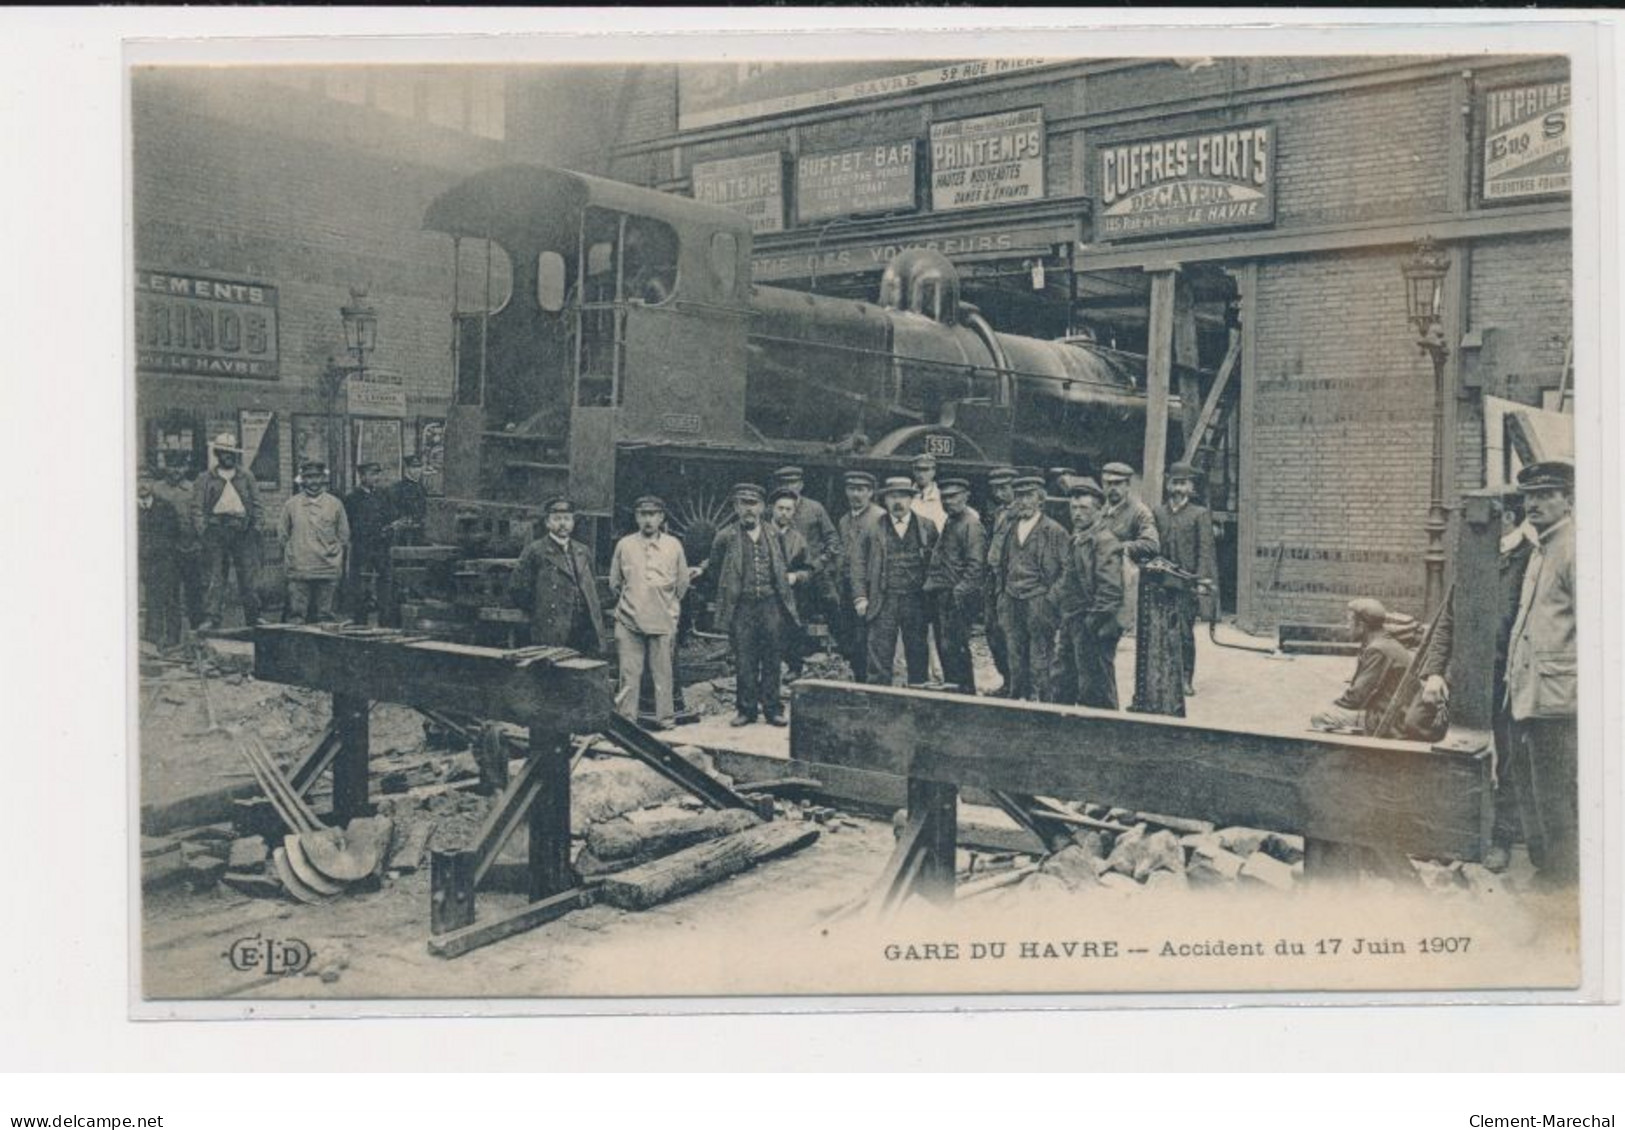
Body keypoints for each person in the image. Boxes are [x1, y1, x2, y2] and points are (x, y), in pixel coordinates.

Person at [1502, 459, 1578, 887]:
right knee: (1530, 787)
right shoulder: (1543, 547)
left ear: (1568, 499)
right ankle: (1547, 869)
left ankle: (1563, 879)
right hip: (1529, 691)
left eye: (1546, 494)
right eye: (1530, 495)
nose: (1535, 504)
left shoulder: (1573, 549)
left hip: (1558, 699)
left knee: (1555, 793)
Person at [706, 484, 798, 726]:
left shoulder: (774, 534)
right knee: (744, 659)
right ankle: (746, 710)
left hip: (770, 605)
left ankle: (772, 709)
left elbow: (782, 566)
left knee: (772, 658)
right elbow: (715, 572)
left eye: (753, 503)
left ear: (762, 507)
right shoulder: (725, 536)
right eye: (743, 503)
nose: (749, 509)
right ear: (736, 507)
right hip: (742, 607)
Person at [608, 496, 690, 730]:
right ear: (636, 517)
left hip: (662, 620)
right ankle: (627, 722)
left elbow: (682, 584)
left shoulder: (674, 545)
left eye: (653, 514)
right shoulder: (624, 545)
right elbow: (615, 583)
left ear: (661, 518)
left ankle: (666, 720)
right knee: (629, 674)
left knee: (663, 674)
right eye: (643, 515)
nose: (648, 520)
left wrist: (669, 610)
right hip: (628, 620)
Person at [853, 476, 939, 687]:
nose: (898, 502)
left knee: (918, 652)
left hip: (916, 600)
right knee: (879, 654)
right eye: (893, 497)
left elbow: (936, 564)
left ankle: (918, 702)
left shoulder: (927, 527)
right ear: (885, 500)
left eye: (903, 496)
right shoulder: (872, 528)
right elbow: (857, 563)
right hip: (883, 600)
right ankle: (878, 703)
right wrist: (860, 597)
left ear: (911, 500)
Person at [991, 476, 1069, 702]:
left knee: (1040, 658)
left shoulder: (1054, 531)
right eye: (1019, 496)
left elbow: (1068, 570)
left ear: (1040, 499)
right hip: (1012, 598)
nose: (1023, 502)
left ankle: (1044, 705)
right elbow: (1002, 563)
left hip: (1039, 601)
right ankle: (1017, 702)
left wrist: (1050, 599)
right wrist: (1001, 595)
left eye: (1029, 496)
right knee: (1015, 655)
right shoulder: (1010, 528)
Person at [1056, 478, 1125, 709]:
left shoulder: (1104, 541)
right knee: (1064, 679)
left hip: (1094, 624)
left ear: (1099, 510)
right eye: (1073, 508)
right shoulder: (1078, 538)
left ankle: (1106, 736)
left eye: (1084, 508)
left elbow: (1110, 590)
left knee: (1096, 687)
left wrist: (1091, 623)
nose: (1077, 513)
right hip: (1073, 620)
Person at [1151, 462, 1218, 696]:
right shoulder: (1158, 513)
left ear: (1191, 487)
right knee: (1159, 633)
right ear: (1168, 485)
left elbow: (1205, 551)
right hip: (1161, 584)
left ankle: (1185, 679)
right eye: (1175, 483)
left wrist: (1202, 581)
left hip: (1186, 585)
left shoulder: (1199, 514)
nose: (1178, 488)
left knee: (1184, 634)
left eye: (1183, 483)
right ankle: (1162, 677)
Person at [509, 497, 607, 654]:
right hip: (553, 625)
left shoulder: (583, 551)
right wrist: (542, 608)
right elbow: (518, 588)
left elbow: (591, 585)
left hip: (582, 626)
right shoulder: (535, 550)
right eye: (557, 519)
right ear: (547, 523)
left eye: (567, 519)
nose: (562, 523)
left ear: (573, 523)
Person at [1310, 598, 1412, 734]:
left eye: (1350, 621)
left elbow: (1356, 697)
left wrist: (1333, 706)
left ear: (1362, 625)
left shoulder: (1377, 649)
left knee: (1320, 716)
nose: (1347, 626)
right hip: (1396, 714)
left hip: (1388, 720)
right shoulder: (1384, 643)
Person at [193, 432, 262, 629]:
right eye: (224, 452)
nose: (228, 456)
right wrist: (203, 531)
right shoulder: (205, 478)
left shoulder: (246, 476)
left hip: (242, 530)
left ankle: (254, 616)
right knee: (216, 576)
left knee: (247, 576)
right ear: (217, 453)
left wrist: (256, 527)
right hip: (216, 530)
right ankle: (212, 617)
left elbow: (257, 505)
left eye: (231, 452)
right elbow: (196, 508)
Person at [924, 478, 986, 694]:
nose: (948, 502)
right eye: (944, 497)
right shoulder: (952, 521)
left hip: (957, 596)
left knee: (955, 647)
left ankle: (964, 692)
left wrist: (959, 593)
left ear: (966, 496)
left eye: (953, 496)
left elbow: (976, 565)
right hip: (943, 594)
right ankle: (955, 690)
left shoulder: (971, 524)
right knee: (946, 646)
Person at [773, 467, 840, 667]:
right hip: (788, 573)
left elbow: (832, 539)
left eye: (793, 483)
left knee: (832, 601)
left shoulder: (815, 508)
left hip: (815, 570)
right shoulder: (775, 511)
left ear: (801, 485)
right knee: (790, 617)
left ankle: (841, 653)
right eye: (784, 484)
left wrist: (821, 562)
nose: (789, 488)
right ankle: (793, 663)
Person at [278, 460, 350, 625]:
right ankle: (295, 649)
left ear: (323, 479)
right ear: (302, 480)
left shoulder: (335, 504)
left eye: (317, 477)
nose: (314, 482)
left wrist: (333, 556)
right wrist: (294, 554)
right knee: (297, 616)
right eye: (309, 477)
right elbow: (282, 535)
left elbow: (344, 535)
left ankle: (326, 650)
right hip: (300, 569)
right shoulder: (291, 505)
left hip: (327, 568)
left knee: (325, 617)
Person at [1099, 461, 1162, 634]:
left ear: (1128, 485)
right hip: (1099, 581)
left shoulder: (1139, 512)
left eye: (1118, 484)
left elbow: (1152, 544)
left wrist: (1120, 547)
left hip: (1123, 583)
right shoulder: (1099, 510)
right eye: (1108, 483)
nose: (1112, 488)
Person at [149, 452, 206, 635]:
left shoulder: (192, 489)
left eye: (180, 467)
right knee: (170, 594)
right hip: (168, 550)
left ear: (186, 468)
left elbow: (198, 515)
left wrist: (202, 539)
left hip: (191, 548)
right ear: (165, 467)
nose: (176, 471)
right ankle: (173, 636)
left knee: (195, 593)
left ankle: (198, 634)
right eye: (172, 466)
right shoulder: (157, 489)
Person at [836, 470, 884, 682]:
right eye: (852, 489)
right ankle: (859, 678)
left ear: (871, 492)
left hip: (869, 587)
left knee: (867, 637)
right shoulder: (844, 520)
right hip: (847, 585)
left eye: (861, 490)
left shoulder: (879, 518)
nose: (856, 494)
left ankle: (869, 682)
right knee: (850, 636)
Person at [769, 486, 816, 677]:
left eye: (788, 509)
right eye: (780, 508)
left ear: (794, 512)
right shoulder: (762, 533)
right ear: (773, 508)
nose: (784, 513)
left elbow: (809, 569)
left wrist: (796, 577)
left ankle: (794, 669)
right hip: (766, 592)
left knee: (793, 628)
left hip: (790, 594)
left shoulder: (798, 539)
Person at [137, 474, 187, 648]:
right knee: (151, 598)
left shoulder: (165, 507)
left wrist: (165, 551)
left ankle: (173, 639)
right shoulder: (127, 509)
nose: (142, 485)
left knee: (170, 598)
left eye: (146, 481)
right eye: (138, 481)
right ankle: (152, 637)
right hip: (142, 560)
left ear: (153, 484)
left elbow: (175, 534)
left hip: (165, 559)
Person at [981, 465, 1018, 695]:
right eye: (995, 489)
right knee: (992, 631)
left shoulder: (1019, 514)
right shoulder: (998, 513)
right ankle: (1007, 680)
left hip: (1009, 582)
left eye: (1004, 488)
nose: (999, 493)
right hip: (993, 579)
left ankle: (1017, 684)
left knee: (1010, 633)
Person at [343, 461, 393, 624]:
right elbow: (349, 525)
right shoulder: (352, 499)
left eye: (377, 474)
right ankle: (360, 622)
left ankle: (384, 622)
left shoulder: (383, 496)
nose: (376, 478)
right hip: (361, 549)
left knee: (385, 584)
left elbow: (389, 517)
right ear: (362, 476)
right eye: (372, 474)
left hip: (381, 548)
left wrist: (389, 530)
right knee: (361, 587)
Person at [387, 453, 429, 543]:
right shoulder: (398, 488)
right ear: (407, 469)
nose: (417, 471)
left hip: (421, 531)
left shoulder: (422, 488)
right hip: (405, 533)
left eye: (419, 467)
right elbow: (393, 509)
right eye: (413, 468)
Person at [910, 452, 946, 532]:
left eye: (926, 470)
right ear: (913, 471)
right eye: (917, 469)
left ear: (933, 471)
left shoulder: (942, 497)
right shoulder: (907, 496)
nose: (921, 474)